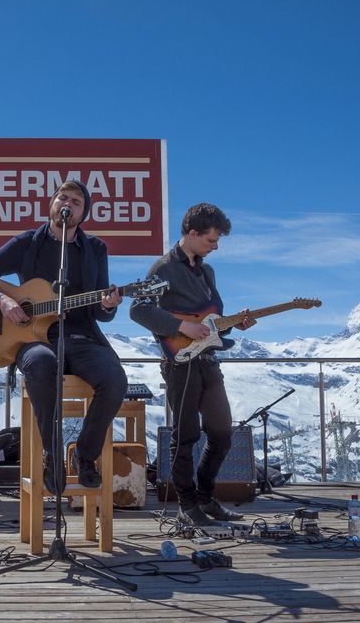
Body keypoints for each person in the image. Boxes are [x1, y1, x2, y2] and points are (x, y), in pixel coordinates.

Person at [0, 180, 126, 494]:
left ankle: (84, 456)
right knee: (40, 363)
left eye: (76, 201)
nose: (67, 203)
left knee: (115, 379)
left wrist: (109, 304)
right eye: (62, 197)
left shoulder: (95, 249)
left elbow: (101, 313)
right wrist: (2, 301)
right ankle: (52, 453)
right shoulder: (26, 243)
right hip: (33, 339)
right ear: (51, 204)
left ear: (83, 213)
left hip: (81, 337)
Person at [130, 203, 254, 526]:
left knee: (222, 433)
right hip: (179, 364)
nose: (216, 248)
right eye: (211, 241)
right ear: (192, 233)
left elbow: (214, 320)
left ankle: (205, 498)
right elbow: (139, 311)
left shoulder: (207, 272)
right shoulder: (162, 269)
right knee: (185, 435)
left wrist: (233, 324)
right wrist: (181, 328)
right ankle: (187, 506)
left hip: (209, 361)